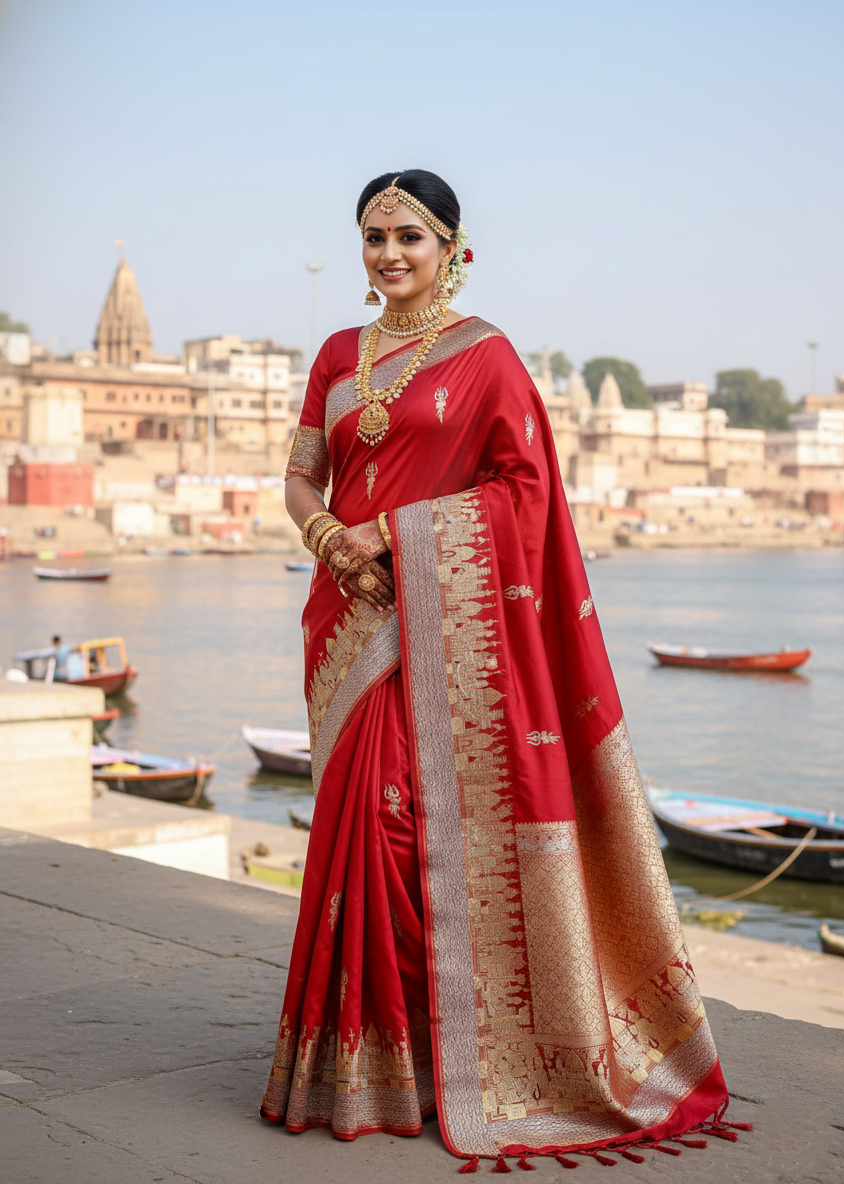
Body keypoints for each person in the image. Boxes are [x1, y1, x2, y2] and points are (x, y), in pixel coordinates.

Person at [261, 171, 742, 1168]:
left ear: (452, 247)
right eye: (374, 236)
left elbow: (525, 491)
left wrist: (391, 532)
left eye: (410, 236)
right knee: (355, 831)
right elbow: (302, 473)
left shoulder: (486, 356)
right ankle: (363, 1061)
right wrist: (331, 538)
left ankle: (454, 1061)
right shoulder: (339, 354)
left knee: (404, 831)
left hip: (437, 622)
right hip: (349, 620)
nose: (390, 253)